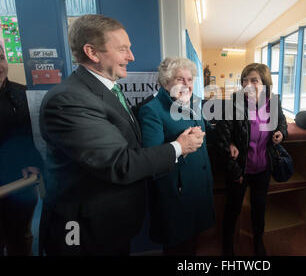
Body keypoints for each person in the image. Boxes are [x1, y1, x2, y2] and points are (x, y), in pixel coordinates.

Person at [39, 14, 204, 256]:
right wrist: (180, 146)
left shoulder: (107, 89)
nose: (131, 56)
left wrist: (165, 102)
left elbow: (123, 122)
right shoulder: (68, 100)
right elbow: (120, 162)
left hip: (112, 225)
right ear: (92, 53)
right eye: (123, 49)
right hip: (84, 232)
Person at [137, 57, 214, 256]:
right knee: (178, 246)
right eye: (180, 79)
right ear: (165, 82)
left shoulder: (194, 103)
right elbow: (152, 159)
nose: (187, 84)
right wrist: (180, 146)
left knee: (193, 242)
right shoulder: (152, 110)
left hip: (198, 186)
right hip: (176, 193)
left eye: (190, 79)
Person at [216, 63, 288, 256]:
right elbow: (222, 140)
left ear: (265, 83)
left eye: (254, 80)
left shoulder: (273, 102)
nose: (248, 85)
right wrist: (235, 171)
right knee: (233, 208)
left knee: (259, 207)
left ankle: (258, 239)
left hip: (263, 168)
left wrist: (281, 132)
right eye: (244, 81)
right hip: (241, 170)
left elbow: (282, 122)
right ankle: (228, 243)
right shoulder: (233, 104)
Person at [0, 45, 43, 256]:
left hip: (19, 184)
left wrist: (33, 160)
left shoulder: (22, 94)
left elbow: (34, 136)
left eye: (0, 58)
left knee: (19, 239)